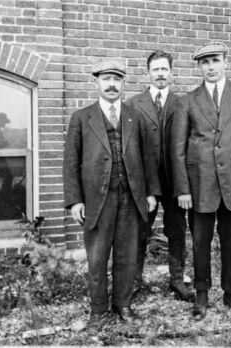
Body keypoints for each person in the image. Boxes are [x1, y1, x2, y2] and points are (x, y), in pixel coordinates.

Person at [170, 42, 231, 318]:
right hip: (200, 186)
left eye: (215, 61)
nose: (210, 67)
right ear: (198, 66)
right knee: (200, 241)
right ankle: (201, 292)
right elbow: (177, 150)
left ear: (226, 62)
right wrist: (183, 189)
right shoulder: (188, 100)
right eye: (204, 62)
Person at [63, 59, 160, 324]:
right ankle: (98, 310)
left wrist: (151, 193)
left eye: (116, 79)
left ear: (123, 84)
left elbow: (148, 158)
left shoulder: (135, 116)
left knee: (126, 255)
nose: (111, 84)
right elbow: (71, 162)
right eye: (106, 79)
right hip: (97, 200)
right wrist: (75, 201)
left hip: (130, 198)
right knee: (97, 258)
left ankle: (123, 305)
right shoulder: (82, 118)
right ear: (97, 83)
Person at [127, 50, 195, 302]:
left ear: (172, 73)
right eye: (155, 69)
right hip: (145, 185)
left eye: (164, 69)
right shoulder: (133, 104)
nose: (160, 74)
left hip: (175, 182)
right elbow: (131, 149)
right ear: (148, 73)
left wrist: (184, 185)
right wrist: (143, 188)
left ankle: (177, 279)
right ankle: (134, 280)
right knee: (140, 230)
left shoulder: (183, 104)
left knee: (177, 230)